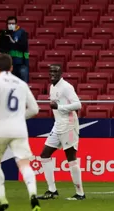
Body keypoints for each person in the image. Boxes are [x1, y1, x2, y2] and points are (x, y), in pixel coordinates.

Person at [0, 54, 40, 211]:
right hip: (19, 129)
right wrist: (20, 117)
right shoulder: (21, 83)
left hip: (0, 128)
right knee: (24, 164)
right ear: (12, 67)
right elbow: (35, 109)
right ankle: (33, 196)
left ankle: (2, 200)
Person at [37, 64, 85, 200]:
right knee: (44, 155)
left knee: (71, 158)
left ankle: (80, 193)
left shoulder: (67, 87)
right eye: (51, 71)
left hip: (69, 125)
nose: (53, 74)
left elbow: (78, 105)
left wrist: (59, 107)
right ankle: (52, 191)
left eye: (56, 71)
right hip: (58, 125)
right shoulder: (52, 87)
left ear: (61, 73)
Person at [0, 16, 29, 83]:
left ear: (16, 24)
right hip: (8, 64)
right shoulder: (4, 33)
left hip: (20, 63)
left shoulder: (22, 32)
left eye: (13, 23)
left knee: (23, 82)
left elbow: (24, 46)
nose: (11, 25)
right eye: (9, 23)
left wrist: (12, 41)